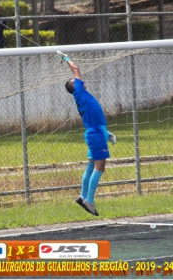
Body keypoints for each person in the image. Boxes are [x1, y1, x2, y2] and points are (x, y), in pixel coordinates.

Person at [57, 51, 116, 216]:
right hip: (95, 135)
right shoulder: (79, 92)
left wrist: (106, 133)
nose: (80, 81)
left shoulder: (83, 96)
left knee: (91, 165)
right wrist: (65, 57)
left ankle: (83, 196)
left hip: (96, 132)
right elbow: (76, 69)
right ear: (74, 86)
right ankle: (89, 200)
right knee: (100, 167)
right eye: (76, 81)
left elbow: (94, 121)